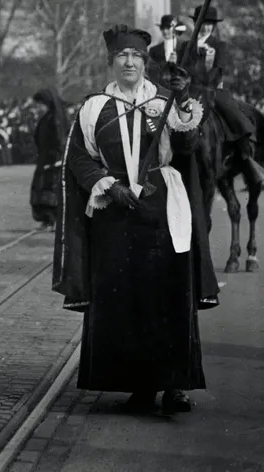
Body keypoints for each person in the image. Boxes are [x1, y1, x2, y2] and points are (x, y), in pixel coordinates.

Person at [54, 24, 219, 415]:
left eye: (137, 57)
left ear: (146, 63)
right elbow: (79, 158)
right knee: (125, 299)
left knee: (169, 294)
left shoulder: (164, 103)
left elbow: (187, 145)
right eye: (122, 57)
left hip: (162, 209)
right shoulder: (94, 107)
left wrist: (181, 97)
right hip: (115, 212)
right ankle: (140, 385)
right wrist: (108, 186)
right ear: (111, 62)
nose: (129, 62)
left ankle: (176, 385)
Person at [179, 5, 264, 186]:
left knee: (231, 110)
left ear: (213, 26)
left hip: (214, 90)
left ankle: (245, 153)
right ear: (196, 23)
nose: (205, 27)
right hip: (192, 90)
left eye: (209, 24)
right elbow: (183, 70)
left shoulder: (220, 45)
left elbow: (219, 69)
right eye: (202, 23)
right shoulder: (187, 46)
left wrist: (204, 73)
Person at [29, 88, 68, 228]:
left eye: (39, 105)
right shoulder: (44, 119)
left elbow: (59, 142)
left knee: (51, 191)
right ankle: (47, 220)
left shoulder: (54, 120)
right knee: (41, 190)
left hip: (53, 161)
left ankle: (53, 220)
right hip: (44, 159)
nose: (37, 108)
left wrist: (55, 160)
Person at [147, 14, 185, 87]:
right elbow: (152, 73)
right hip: (162, 88)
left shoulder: (184, 46)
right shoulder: (154, 50)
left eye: (168, 28)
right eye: (162, 28)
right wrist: (168, 63)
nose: (165, 31)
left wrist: (176, 62)